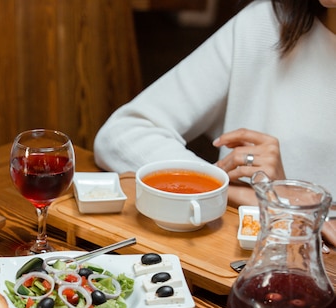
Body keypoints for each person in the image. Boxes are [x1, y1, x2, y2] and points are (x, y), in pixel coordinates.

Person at [94, 0, 336, 245]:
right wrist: (238, 195)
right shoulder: (267, 23)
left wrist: (296, 204)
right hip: (232, 264)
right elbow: (121, 134)